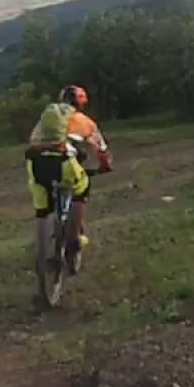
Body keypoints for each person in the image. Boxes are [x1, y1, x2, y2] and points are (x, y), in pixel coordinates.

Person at [26, 85, 113, 263]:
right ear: (80, 104)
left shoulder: (45, 119)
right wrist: (104, 166)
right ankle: (73, 240)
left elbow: (33, 140)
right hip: (63, 163)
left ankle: (42, 248)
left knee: (42, 207)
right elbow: (101, 151)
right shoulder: (84, 121)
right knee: (82, 188)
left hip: (35, 163)